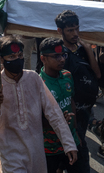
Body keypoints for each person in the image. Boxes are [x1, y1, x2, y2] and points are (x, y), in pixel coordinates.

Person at [0, 35, 77, 172]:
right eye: (11, 57)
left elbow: (53, 112)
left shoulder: (34, 79)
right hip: (11, 156)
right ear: (1, 60)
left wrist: (69, 144)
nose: (17, 59)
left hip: (37, 154)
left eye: (20, 55)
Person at [55, 10, 101, 172]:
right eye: (70, 30)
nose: (75, 33)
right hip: (69, 112)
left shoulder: (82, 49)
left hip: (85, 111)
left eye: (77, 29)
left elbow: (97, 74)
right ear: (60, 31)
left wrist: (88, 50)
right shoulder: (58, 54)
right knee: (77, 152)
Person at [39, 37, 86, 173]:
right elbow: (35, 120)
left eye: (63, 55)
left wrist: (75, 131)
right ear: (43, 59)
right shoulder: (39, 84)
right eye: (56, 56)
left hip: (71, 141)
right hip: (49, 148)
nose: (62, 60)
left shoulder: (67, 75)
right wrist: (58, 122)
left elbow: (71, 102)